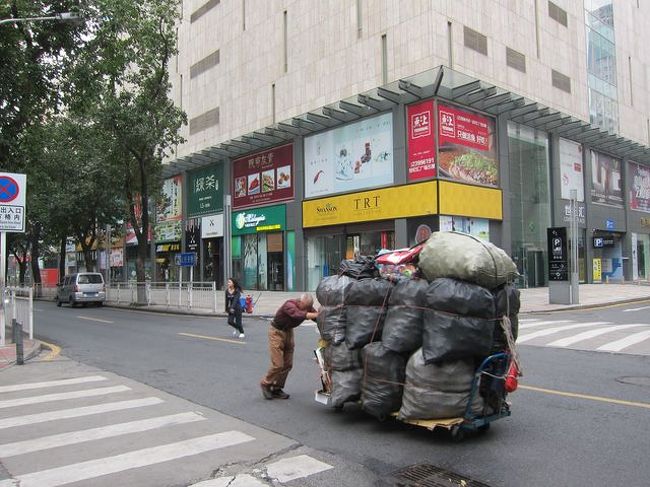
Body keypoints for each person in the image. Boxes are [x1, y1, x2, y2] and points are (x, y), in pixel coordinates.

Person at [260, 293, 319, 400]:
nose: (306, 309)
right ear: (300, 302)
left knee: (288, 364)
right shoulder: (290, 305)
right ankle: (266, 383)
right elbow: (299, 314)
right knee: (278, 364)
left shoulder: (307, 306)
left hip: (289, 332)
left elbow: (316, 317)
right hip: (276, 332)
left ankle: (277, 388)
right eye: (305, 307)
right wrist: (316, 314)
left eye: (308, 307)